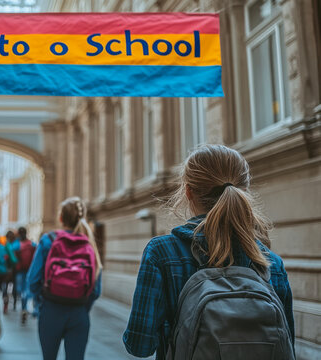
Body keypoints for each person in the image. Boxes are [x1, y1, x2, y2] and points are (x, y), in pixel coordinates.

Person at [123, 144, 295, 359]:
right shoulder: (270, 263)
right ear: (245, 189)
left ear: (188, 191)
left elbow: (139, 345)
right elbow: (287, 345)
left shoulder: (162, 253)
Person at [27, 197, 103, 360]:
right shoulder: (89, 243)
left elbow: (33, 280)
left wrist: (42, 302)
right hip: (78, 313)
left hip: (50, 310)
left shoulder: (48, 240)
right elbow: (96, 289)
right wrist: (82, 305)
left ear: (61, 218)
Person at [13, 226, 36, 324]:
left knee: (20, 289)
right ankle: (24, 308)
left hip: (19, 270)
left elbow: (10, 255)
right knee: (26, 289)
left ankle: (23, 308)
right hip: (29, 270)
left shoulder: (16, 244)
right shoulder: (32, 244)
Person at [2, 230, 17, 313]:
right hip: (13, 270)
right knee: (14, 286)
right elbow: (14, 260)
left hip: (4, 269)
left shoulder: (5, 245)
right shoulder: (15, 245)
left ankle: (5, 301)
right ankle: (14, 303)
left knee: (4, 286)